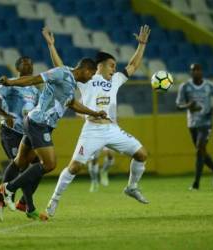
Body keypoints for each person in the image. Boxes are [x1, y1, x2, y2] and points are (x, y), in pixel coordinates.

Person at [42, 25, 151, 218]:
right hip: (92, 130)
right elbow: (62, 70)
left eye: (115, 67)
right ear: (99, 65)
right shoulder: (87, 79)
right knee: (74, 167)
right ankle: (54, 200)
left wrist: (141, 45)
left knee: (142, 154)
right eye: (112, 65)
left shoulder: (116, 79)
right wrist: (51, 46)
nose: (114, 69)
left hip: (112, 129)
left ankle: (131, 187)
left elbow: (133, 65)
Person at [0, 58, 107, 221]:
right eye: (91, 74)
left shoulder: (71, 81)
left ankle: (26, 205)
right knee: (49, 164)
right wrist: (10, 82)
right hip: (38, 123)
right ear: (85, 70)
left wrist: (94, 113)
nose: (91, 78)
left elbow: (72, 104)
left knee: (20, 161)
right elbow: (35, 79)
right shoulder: (61, 73)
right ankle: (8, 189)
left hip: (39, 123)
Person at [0, 56, 40, 221]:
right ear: (18, 67)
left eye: (31, 63)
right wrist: (5, 114)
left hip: (26, 133)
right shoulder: (10, 83)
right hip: (10, 132)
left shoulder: (34, 90)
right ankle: (28, 206)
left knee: (38, 166)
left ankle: (19, 201)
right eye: (25, 63)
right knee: (21, 167)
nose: (29, 65)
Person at [176, 63, 213, 190]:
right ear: (191, 73)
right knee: (201, 151)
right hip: (192, 123)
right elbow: (178, 105)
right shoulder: (185, 86)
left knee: (199, 148)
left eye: (198, 70)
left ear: (202, 71)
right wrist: (188, 106)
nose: (196, 72)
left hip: (206, 122)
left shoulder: (210, 85)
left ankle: (196, 183)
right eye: (193, 70)